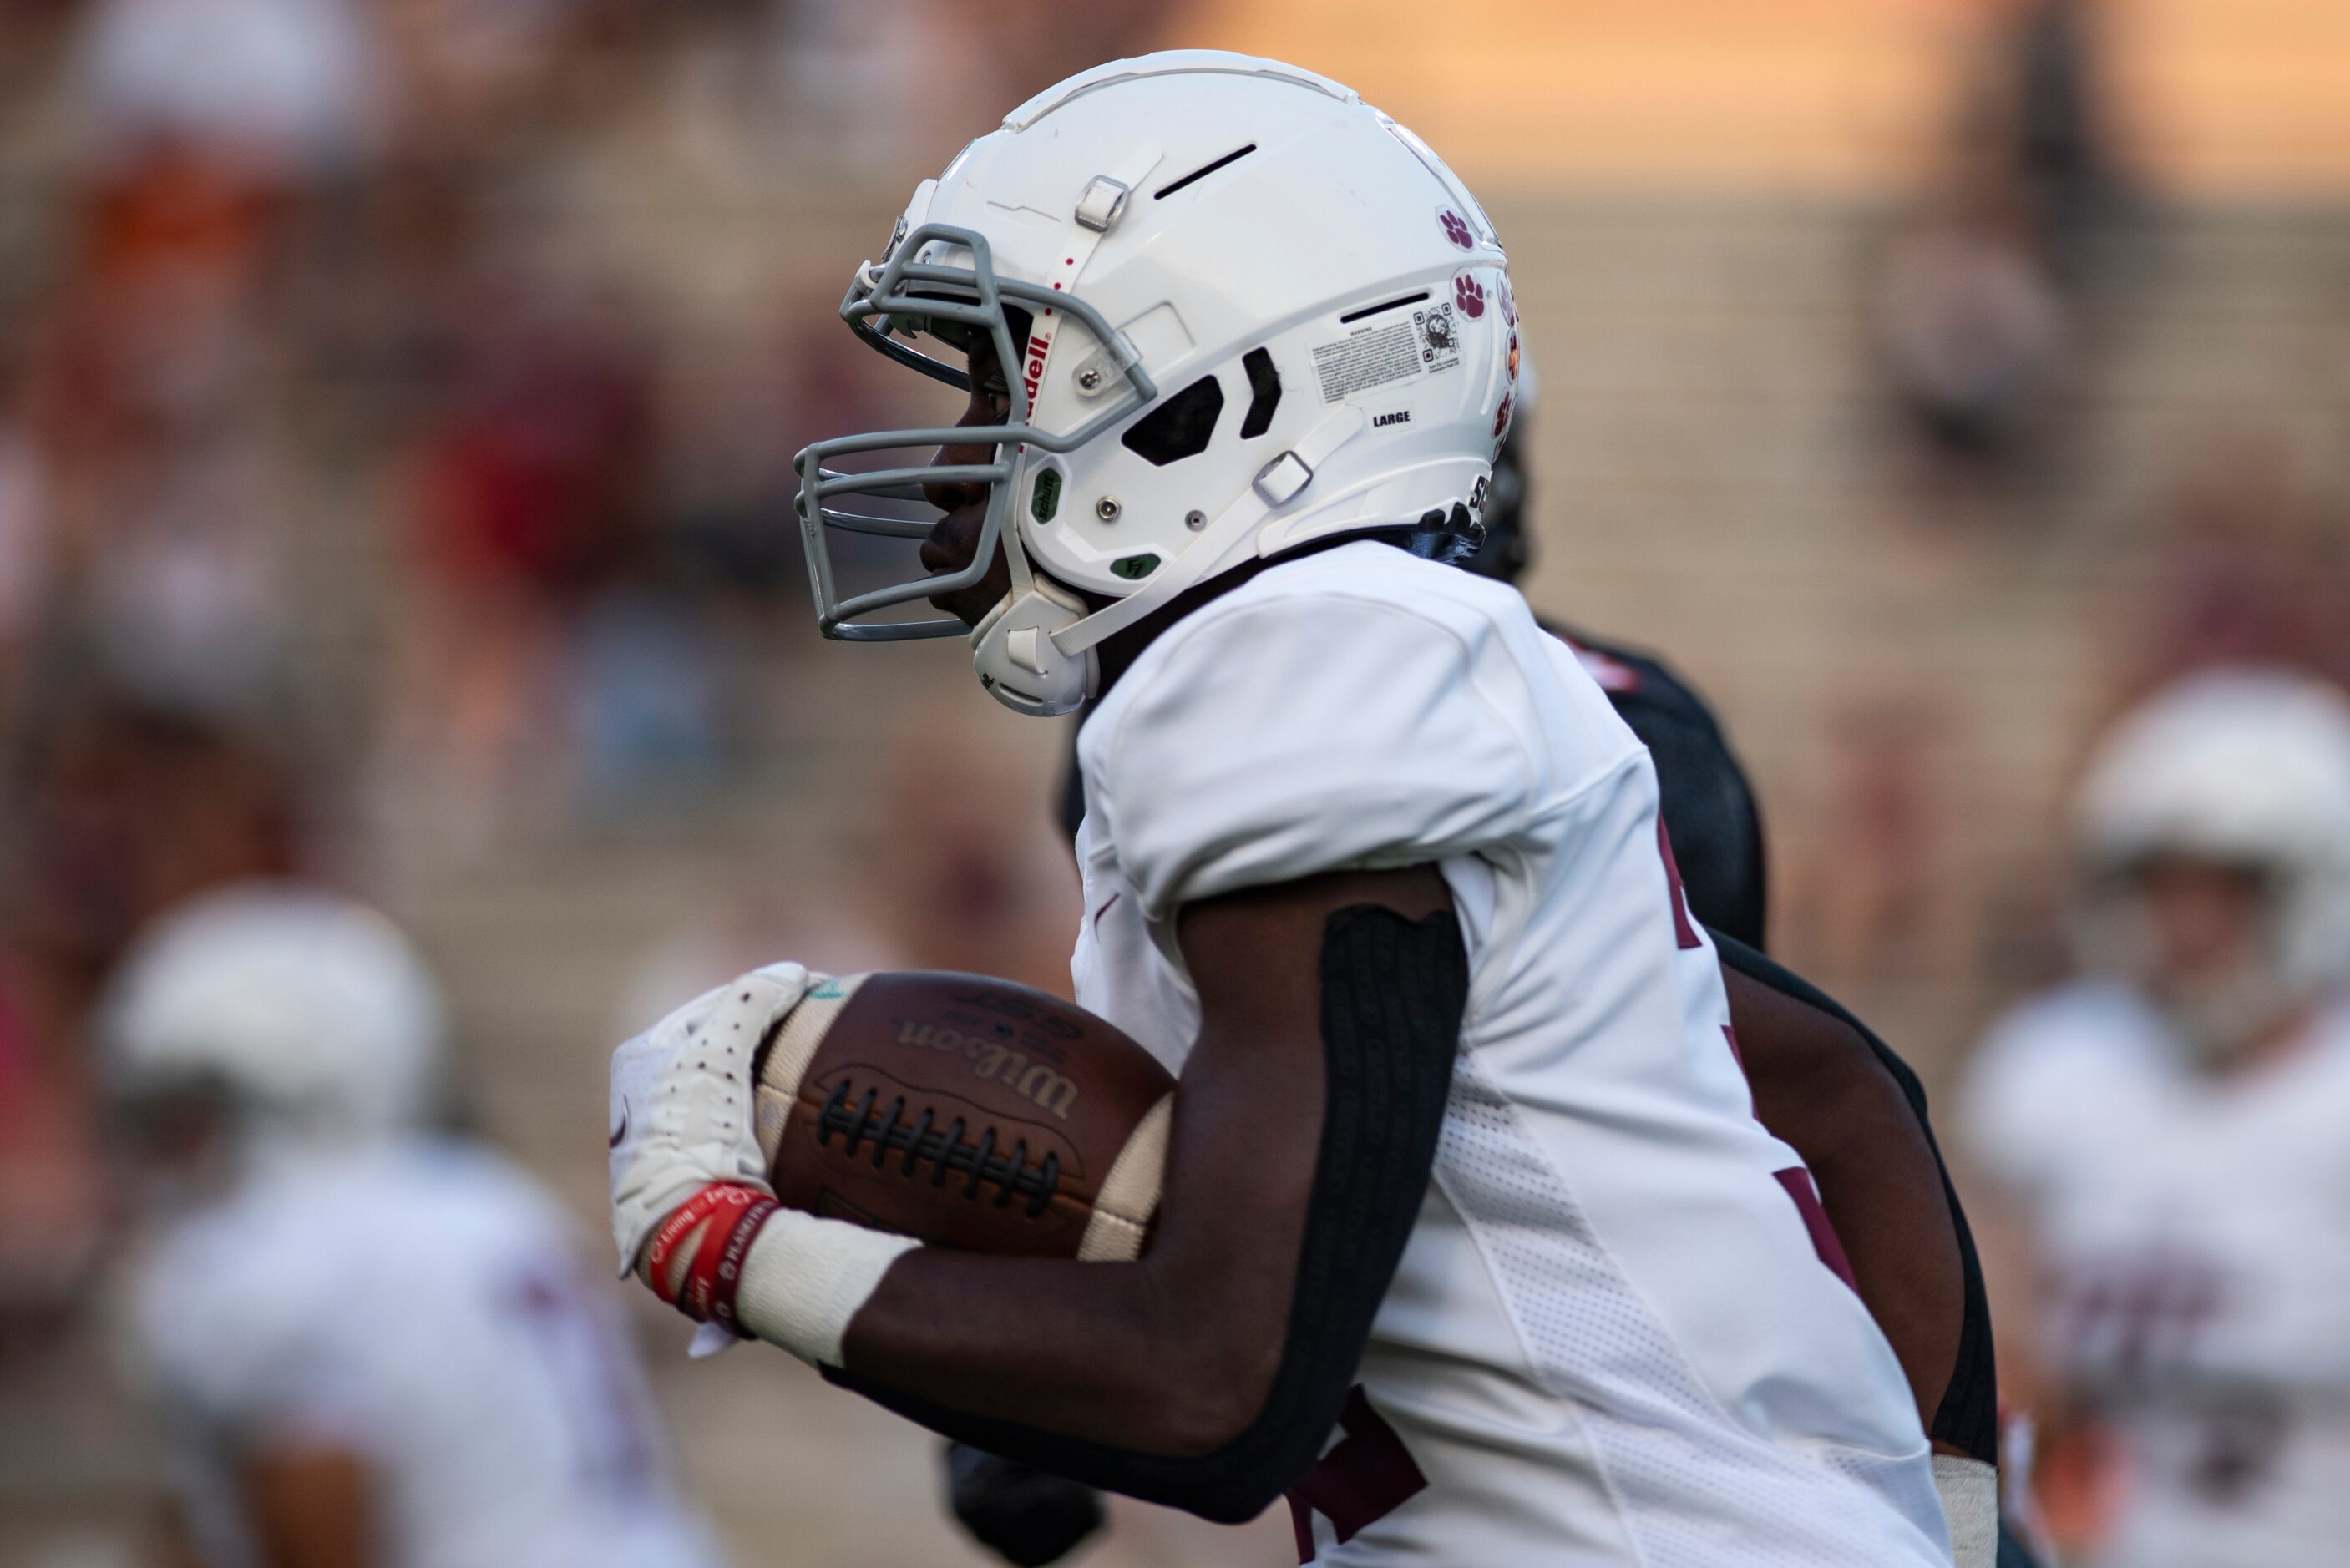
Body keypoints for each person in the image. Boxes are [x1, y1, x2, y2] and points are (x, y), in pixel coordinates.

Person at [609, 52, 1957, 1565]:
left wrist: (735, 1249)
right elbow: (1836, 1084)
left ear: (1214, 393)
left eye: (1004, 374)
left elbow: (1219, 1385)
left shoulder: (1290, 668)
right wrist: (1952, 1515)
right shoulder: (1371, 653)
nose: (947, 459)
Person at [107, 883, 728, 1568]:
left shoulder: (273, 1253)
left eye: (194, 1119)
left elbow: (317, 1496)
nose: (173, 1156)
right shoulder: (491, 1198)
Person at [1960, 667, 2350, 1568]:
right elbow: (1997, 1370)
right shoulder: (2057, 1072)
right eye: (2165, 886)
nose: (2189, 925)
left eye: (2229, 889)